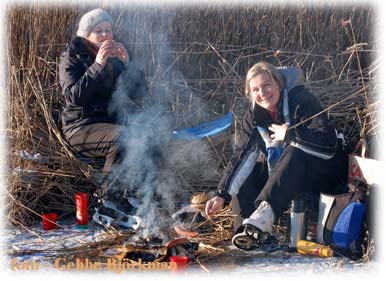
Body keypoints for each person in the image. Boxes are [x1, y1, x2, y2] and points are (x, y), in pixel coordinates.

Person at [205, 62, 348, 250]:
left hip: (324, 172)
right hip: (286, 176)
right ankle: (249, 233)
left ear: (278, 84)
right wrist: (221, 195)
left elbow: (327, 145)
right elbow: (241, 156)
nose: (262, 93)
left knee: (294, 150)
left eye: (267, 85)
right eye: (255, 89)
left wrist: (290, 135)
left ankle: (262, 219)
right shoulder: (254, 116)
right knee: (251, 172)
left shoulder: (303, 100)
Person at [59, 8, 147, 228]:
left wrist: (128, 64)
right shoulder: (72, 57)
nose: (106, 35)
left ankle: (136, 197)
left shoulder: (116, 56)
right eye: (99, 31)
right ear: (85, 35)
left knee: (148, 136)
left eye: (108, 30)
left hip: (109, 124)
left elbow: (140, 93)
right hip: (80, 127)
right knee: (123, 137)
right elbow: (74, 97)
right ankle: (106, 200)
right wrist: (97, 65)